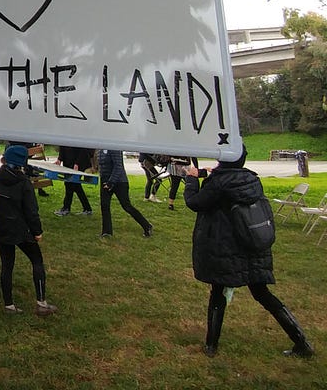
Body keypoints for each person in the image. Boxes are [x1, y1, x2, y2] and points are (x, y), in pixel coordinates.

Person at [185, 146, 314, 358]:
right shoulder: (251, 180)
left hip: (226, 247)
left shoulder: (218, 183)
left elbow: (195, 203)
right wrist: (213, 173)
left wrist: (191, 179)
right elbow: (229, 186)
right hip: (252, 244)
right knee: (263, 294)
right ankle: (301, 342)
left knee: (218, 294)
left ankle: (211, 346)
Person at [0, 145, 58, 316]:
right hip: (21, 229)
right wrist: (37, 231)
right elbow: (31, 211)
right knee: (37, 261)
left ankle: (9, 305)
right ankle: (41, 303)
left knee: (7, 265)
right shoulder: (23, 182)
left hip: (1, 225)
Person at [97, 149, 153, 238]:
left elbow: (118, 166)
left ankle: (147, 226)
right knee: (104, 205)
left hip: (119, 182)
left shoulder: (114, 148)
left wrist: (111, 182)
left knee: (126, 206)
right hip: (105, 181)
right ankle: (107, 232)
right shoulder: (100, 149)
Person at [53, 146, 93, 216]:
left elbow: (83, 149)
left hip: (79, 163)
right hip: (69, 163)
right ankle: (87, 209)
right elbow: (63, 146)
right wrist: (59, 159)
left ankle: (66, 208)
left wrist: (77, 163)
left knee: (71, 185)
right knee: (74, 185)